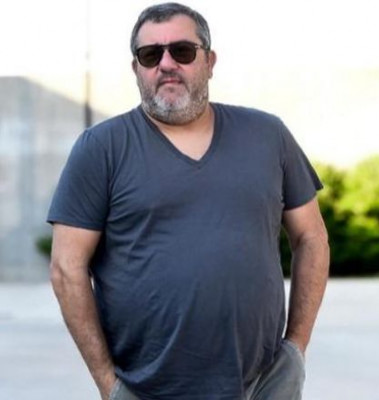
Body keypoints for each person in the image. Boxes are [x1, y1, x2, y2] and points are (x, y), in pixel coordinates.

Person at [47, 3, 329, 399]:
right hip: (147, 389)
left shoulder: (268, 136)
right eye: (150, 55)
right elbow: (66, 267)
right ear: (136, 68)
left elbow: (312, 237)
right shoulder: (100, 148)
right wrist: (109, 385)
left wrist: (295, 348)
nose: (166, 64)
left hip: (263, 384)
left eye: (182, 51)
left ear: (209, 61)